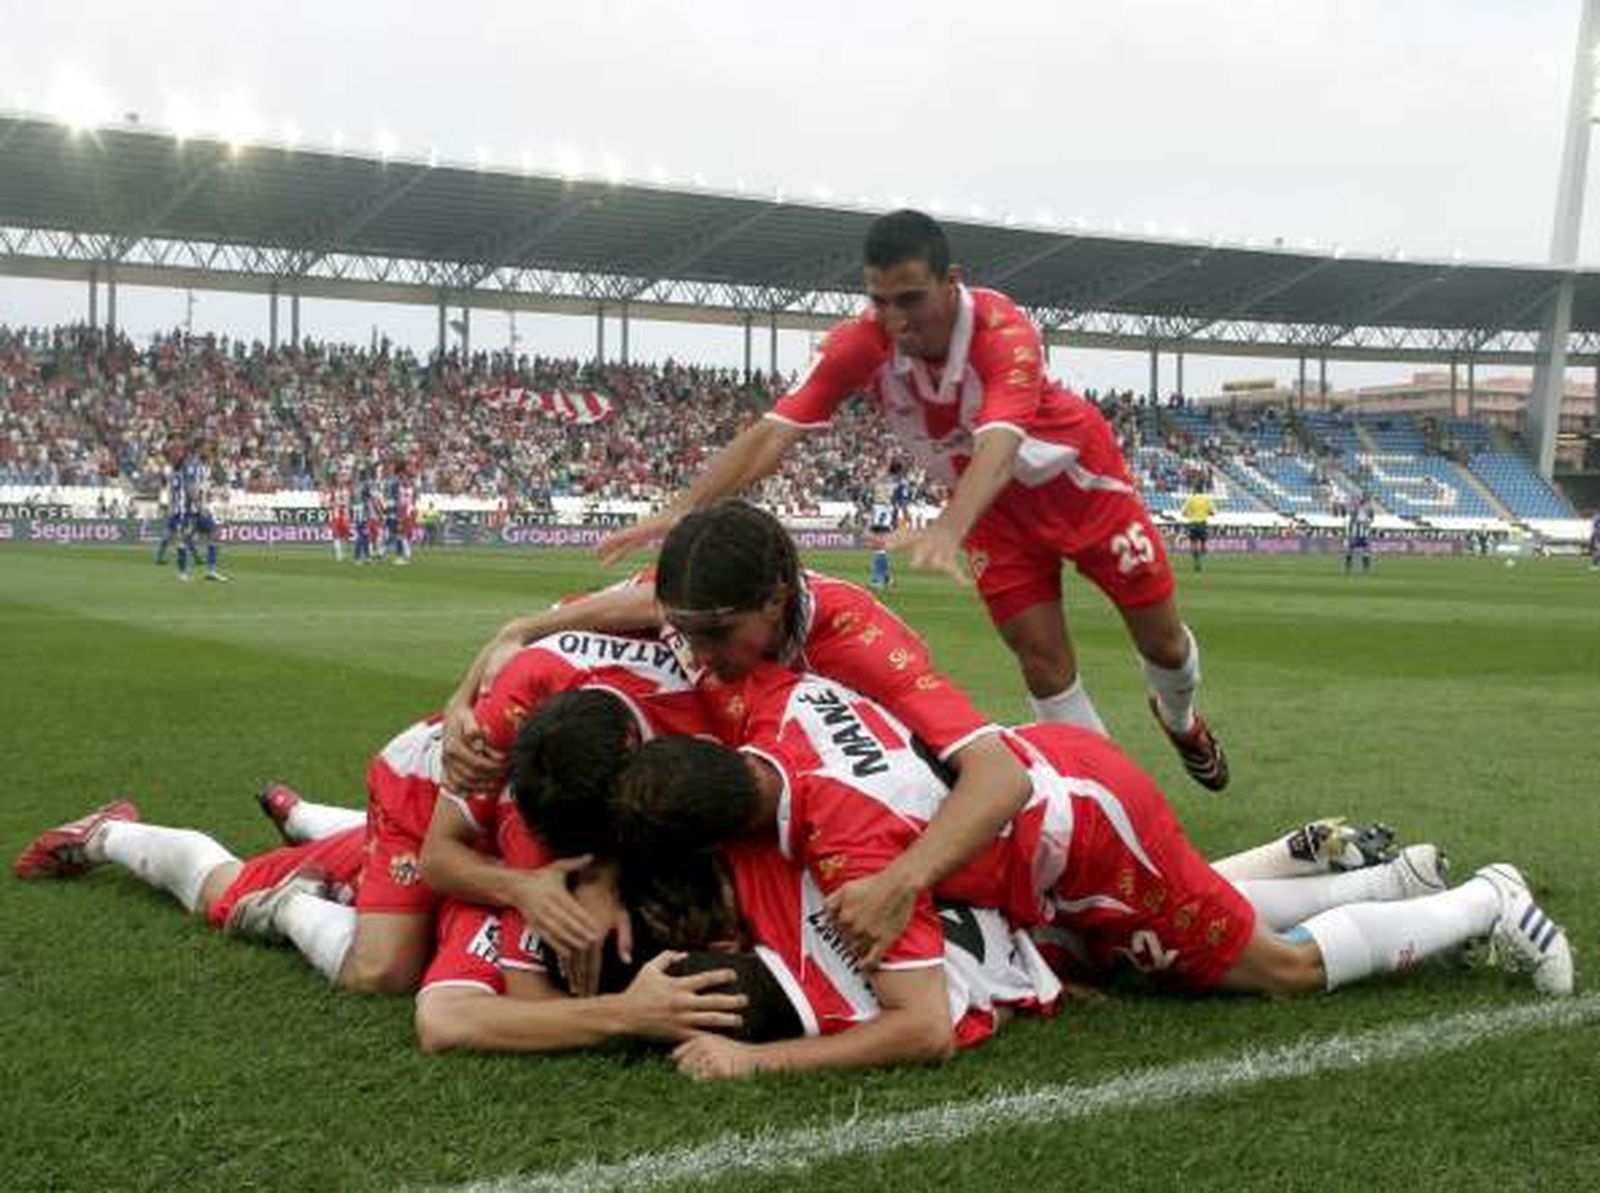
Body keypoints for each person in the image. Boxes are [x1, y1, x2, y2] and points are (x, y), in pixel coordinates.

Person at [596, 210, 1227, 789]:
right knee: (1043, 664)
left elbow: (1001, 443)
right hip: (996, 519)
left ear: (951, 282)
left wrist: (951, 524)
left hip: (1084, 492)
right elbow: (773, 433)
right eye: (879, 301)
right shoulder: (858, 346)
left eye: (911, 299)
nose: (896, 319)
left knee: (1164, 646)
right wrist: (683, 506)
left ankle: (1179, 719)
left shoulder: (1003, 332)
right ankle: (1109, 796)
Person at [610, 665, 1574, 1011]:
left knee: (1268, 972)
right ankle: (1391, 877)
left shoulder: (849, 845)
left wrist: (755, 1055)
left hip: (1083, 824)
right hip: (1045, 789)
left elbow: (916, 1026)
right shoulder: (780, 708)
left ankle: (1488, 899)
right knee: (1141, 951)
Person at [442, 500, 1034, 969]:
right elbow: (626, 607)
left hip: (863, 837)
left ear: (776, 601)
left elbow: (1001, 776)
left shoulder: (855, 643)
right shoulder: (697, 598)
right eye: (684, 632)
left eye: (717, 636)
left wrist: (901, 883)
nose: (699, 654)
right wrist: (481, 675)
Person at [11, 801, 745, 1052]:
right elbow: (447, 1021)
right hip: (381, 865)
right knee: (227, 889)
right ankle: (106, 833)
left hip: (441, 835)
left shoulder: (650, 849)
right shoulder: (522, 924)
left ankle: (299, 809)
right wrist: (629, 1016)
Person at [178, 446, 229, 583]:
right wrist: (199, 506)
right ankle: (183, 573)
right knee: (185, 539)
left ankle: (211, 571)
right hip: (191, 510)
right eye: (210, 452)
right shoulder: (193, 467)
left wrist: (208, 498)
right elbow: (190, 488)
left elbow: (203, 489)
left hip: (201, 508)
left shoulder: (204, 469)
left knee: (214, 533)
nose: (212, 456)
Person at [1178, 484, 1216, 574]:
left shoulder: (1190, 499)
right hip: (1202, 523)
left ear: (1194, 490)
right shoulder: (1206, 499)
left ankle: (1196, 561)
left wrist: (1190, 515)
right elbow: (1213, 512)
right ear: (1202, 491)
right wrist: (1207, 513)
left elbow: (1183, 512)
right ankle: (1202, 560)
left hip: (1192, 523)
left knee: (1193, 543)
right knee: (1203, 544)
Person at [1345, 494, 1376, 576]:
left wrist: (1368, 522)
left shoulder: (1369, 509)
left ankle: (1365, 567)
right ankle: (1349, 564)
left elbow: (1372, 519)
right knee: (1351, 549)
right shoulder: (1357, 508)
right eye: (1367, 500)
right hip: (1357, 531)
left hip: (1363, 531)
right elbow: (1352, 519)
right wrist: (1350, 530)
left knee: (1365, 549)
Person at [325, 471, 353, 563]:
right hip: (336, 514)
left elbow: (352, 501)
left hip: (345, 514)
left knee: (345, 535)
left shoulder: (348, 490)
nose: (341, 480)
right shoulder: (333, 491)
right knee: (336, 534)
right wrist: (332, 504)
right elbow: (328, 502)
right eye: (339, 478)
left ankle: (343, 552)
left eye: (342, 478)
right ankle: (339, 554)